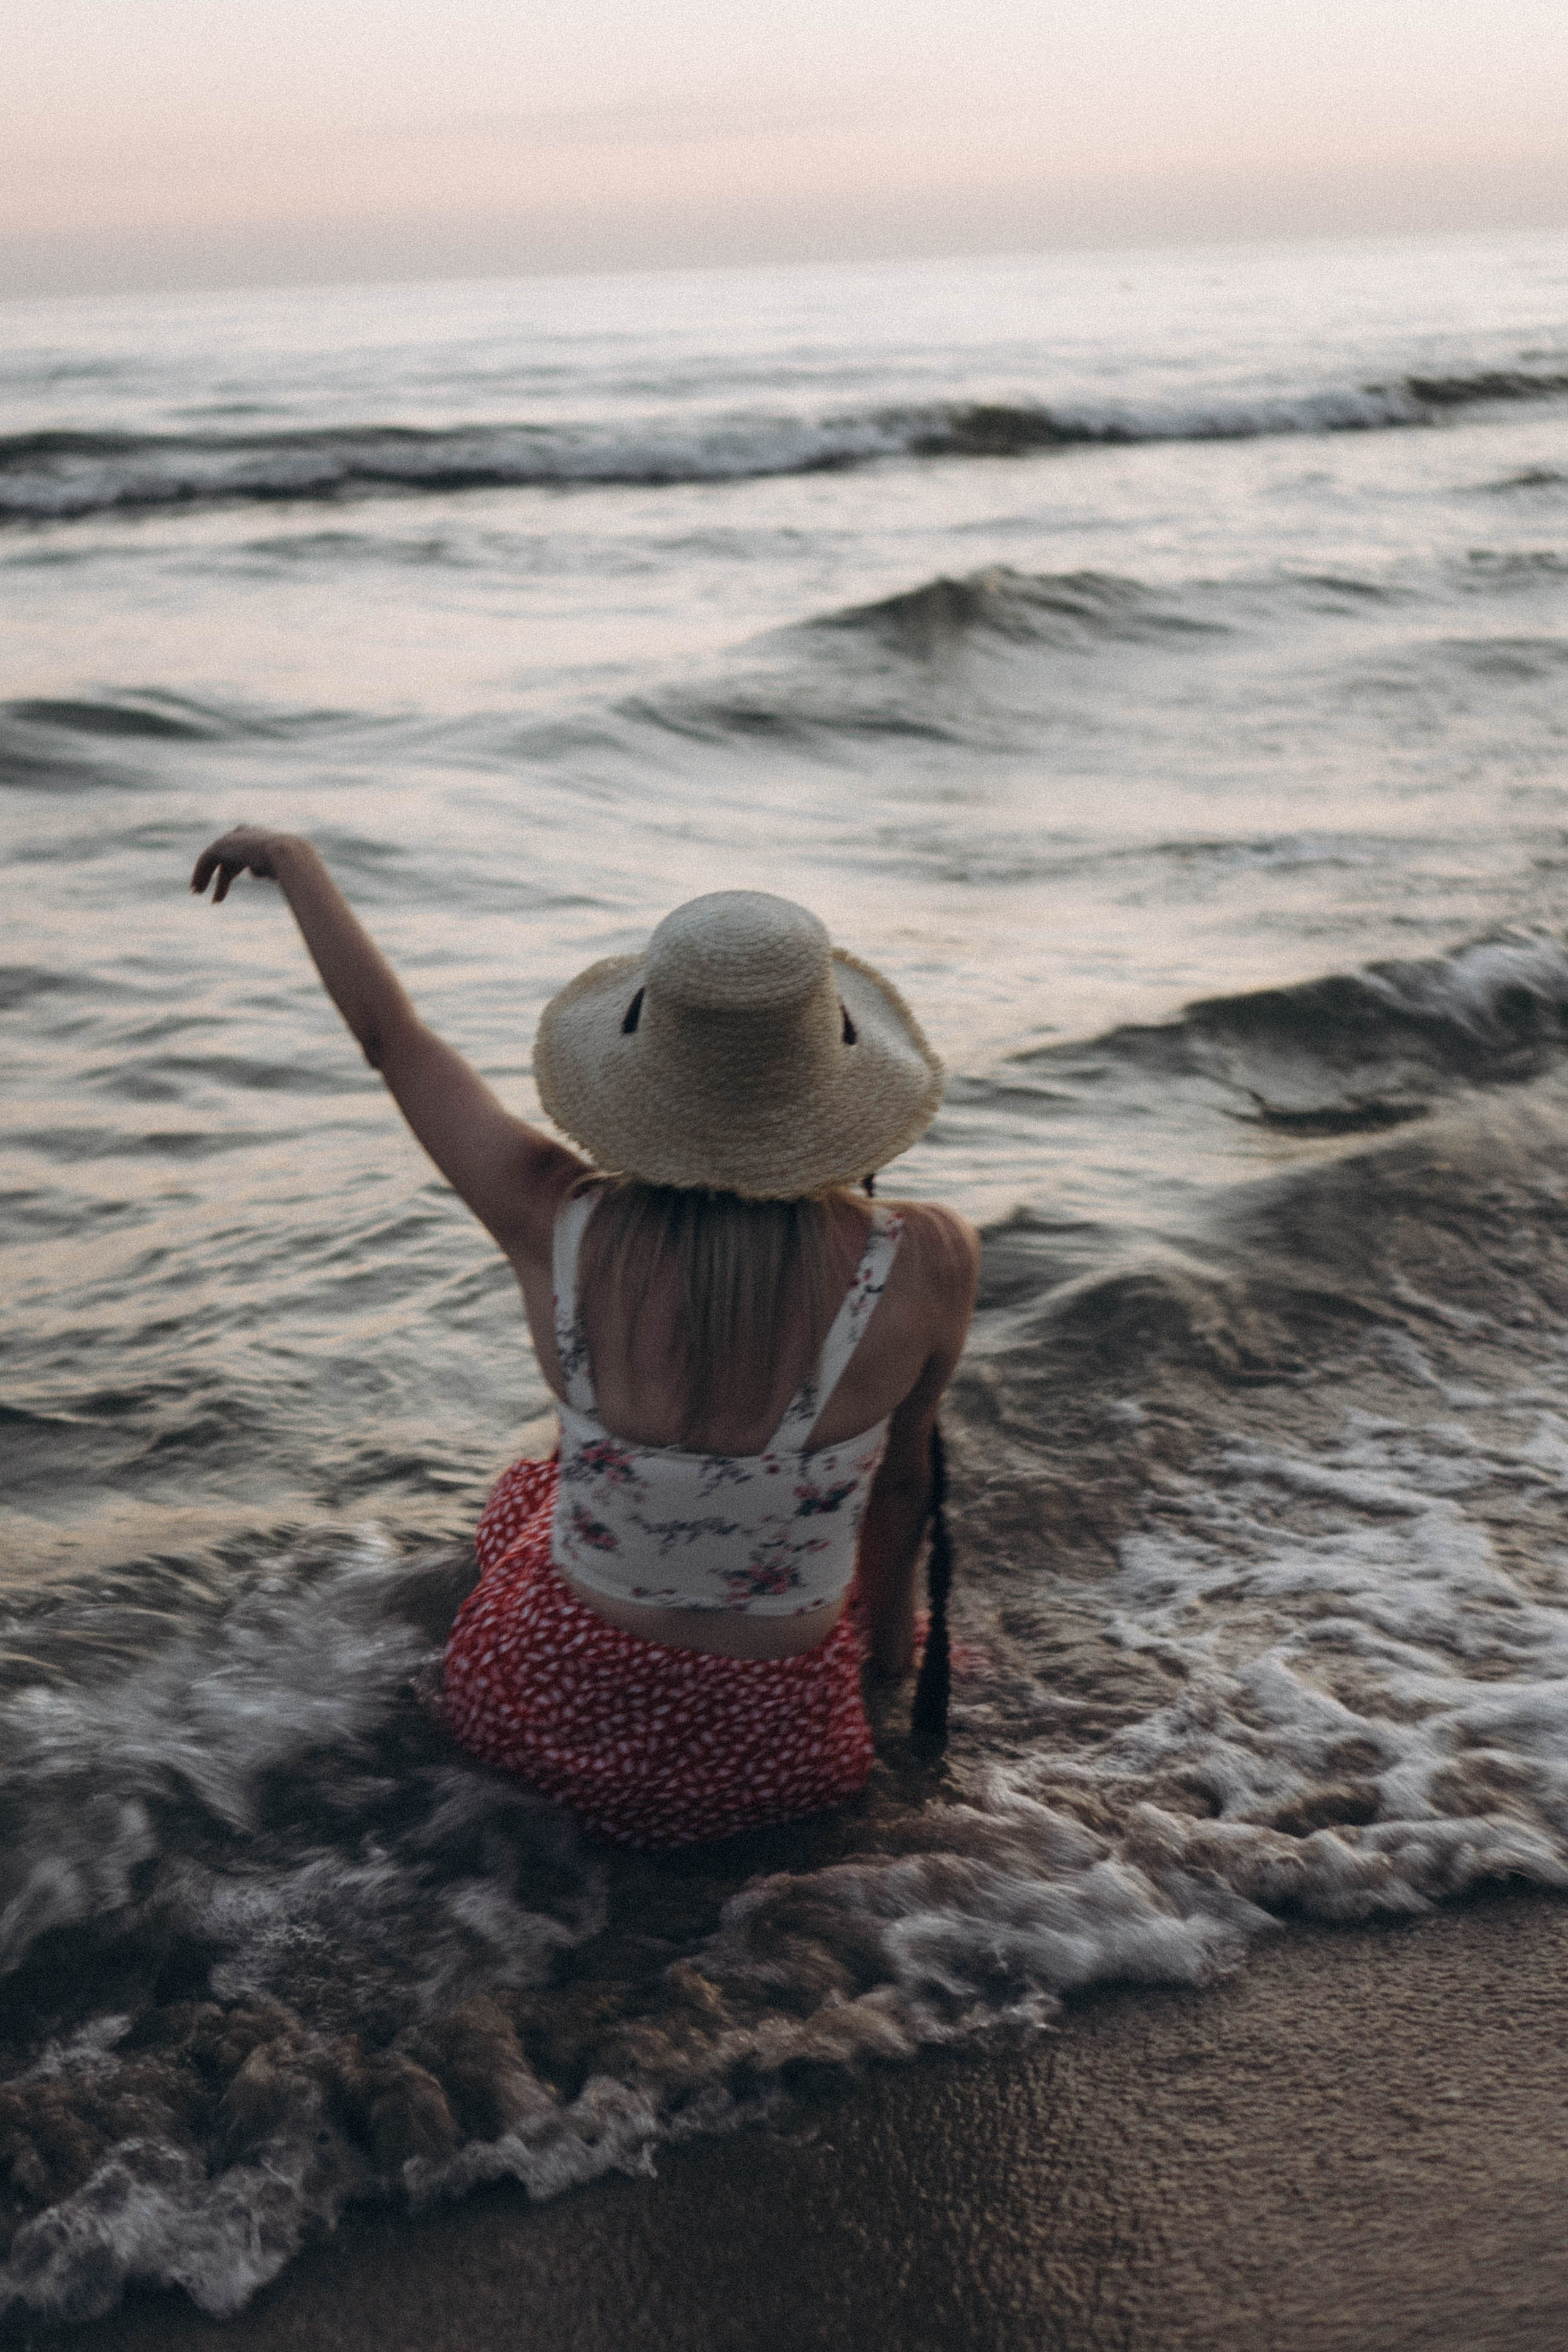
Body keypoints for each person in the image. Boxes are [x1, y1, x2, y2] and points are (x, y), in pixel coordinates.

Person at [190, 827, 979, 1847]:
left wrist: (294, 862)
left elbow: (396, 1043)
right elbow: (907, 1491)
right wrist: (883, 1680)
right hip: (783, 1758)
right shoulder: (925, 1259)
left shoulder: (556, 1219)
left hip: (539, 1727)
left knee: (535, 1490)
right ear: (832, 1077)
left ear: (646, 1066)